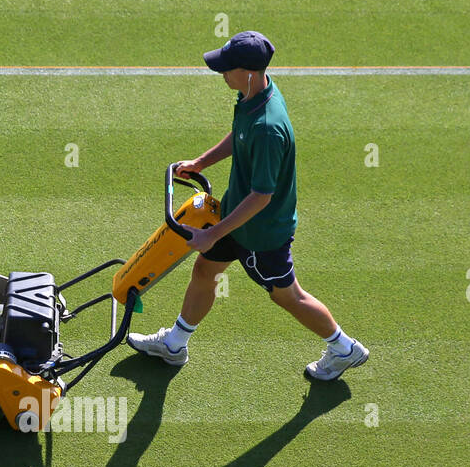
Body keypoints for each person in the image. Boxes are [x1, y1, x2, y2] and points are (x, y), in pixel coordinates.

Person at [127, 30, 369, 381]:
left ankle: (343, 348)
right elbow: (238, 134)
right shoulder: (253, 95)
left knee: (288, 297)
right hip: (236, 217)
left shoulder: (268, 128)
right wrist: (201, 162)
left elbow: (262, 195)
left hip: (260, 233)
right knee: (204, 271)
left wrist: (214, 235)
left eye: (227, 68)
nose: (221, 73)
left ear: (249, 72)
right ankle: (175, 344)